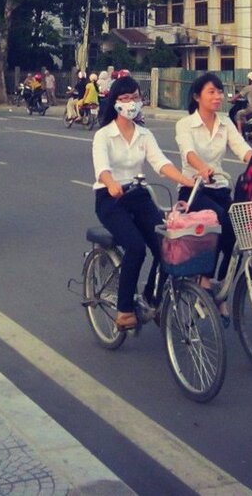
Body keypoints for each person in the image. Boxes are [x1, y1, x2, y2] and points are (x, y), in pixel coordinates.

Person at [92, 75, 196, 331]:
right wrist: (111, 182)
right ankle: (125, 309)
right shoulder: (104, 135)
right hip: (110, 199)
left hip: (138, 196)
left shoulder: (144, 134)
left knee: (166, 247)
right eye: (124, 99)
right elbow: (102, 169)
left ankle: (153, 299)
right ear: (115, 102)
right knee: (136, 248)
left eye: (134, 98)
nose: (130, 103)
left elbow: (160, 163)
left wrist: (186, 180)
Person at [175, 72, 252, 295]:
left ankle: (222, 285)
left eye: (220, 91)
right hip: (193, 190)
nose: (218, 96)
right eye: (211, 92)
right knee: (219, 220)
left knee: (238, 227)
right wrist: (201, 168)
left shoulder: (225, 123)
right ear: (197, 97)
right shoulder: (185, 124)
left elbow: (242, 148)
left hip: (218, 187)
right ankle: (205, 279)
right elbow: (188, 151)